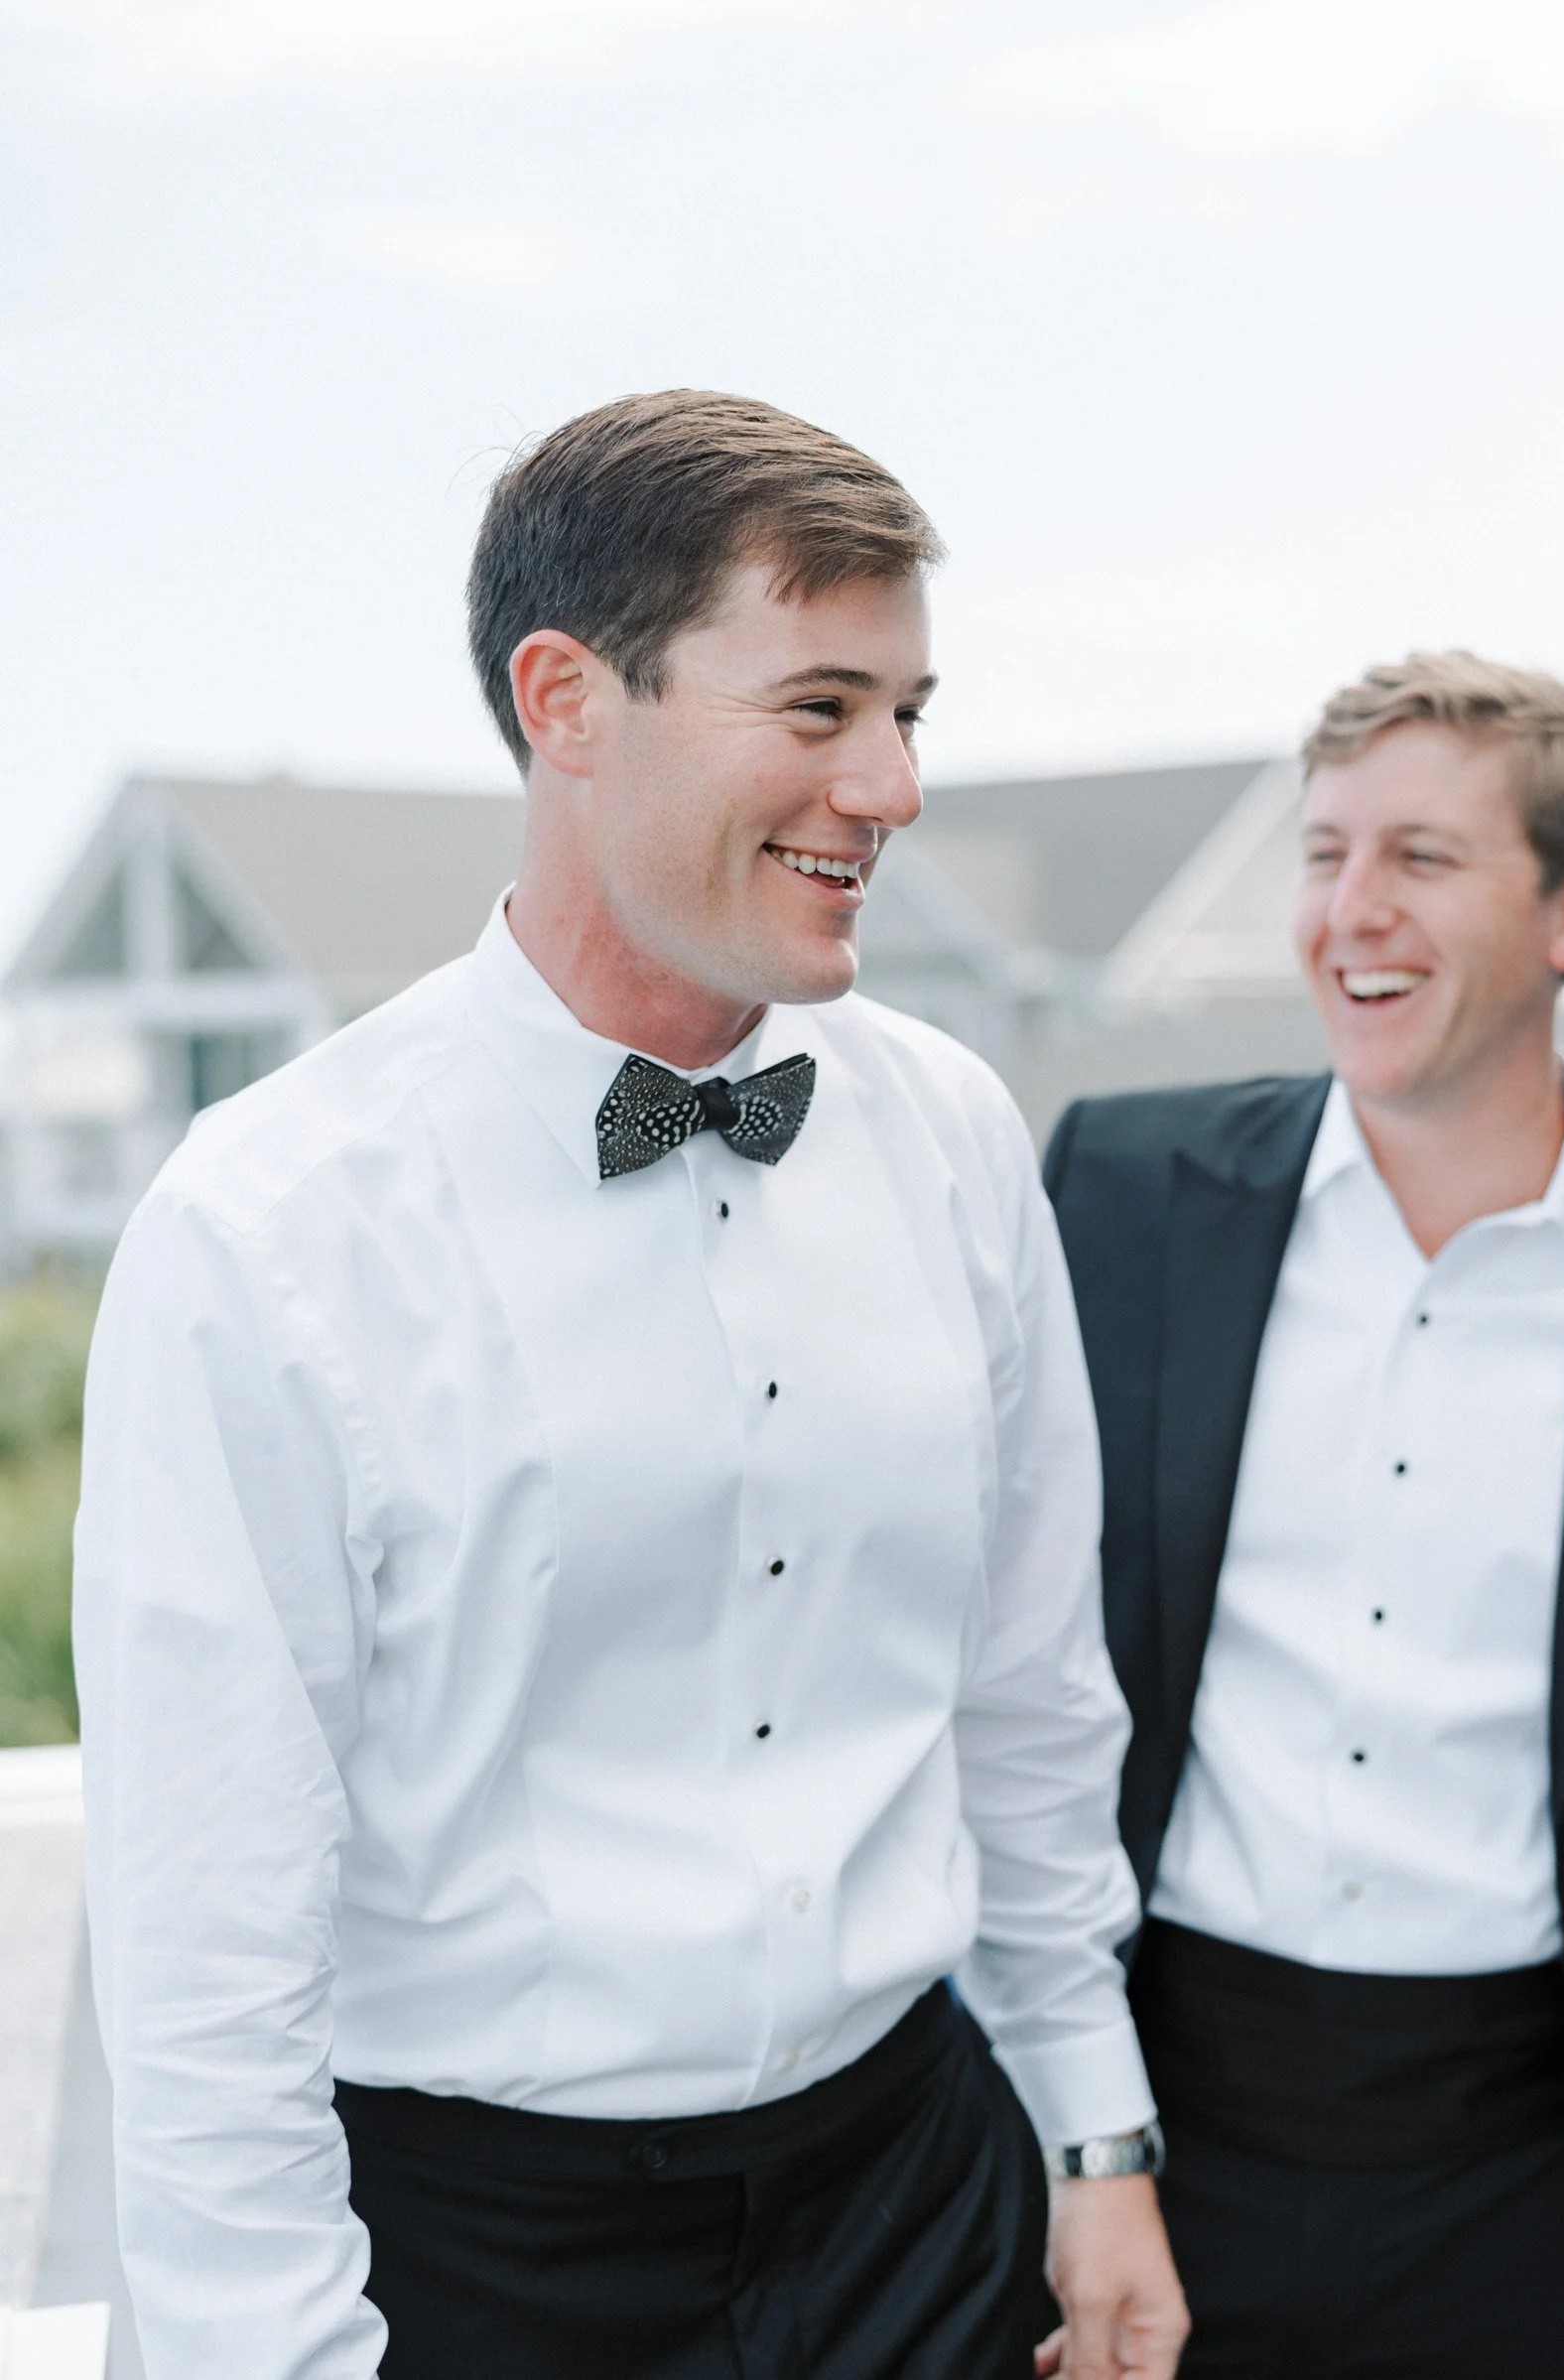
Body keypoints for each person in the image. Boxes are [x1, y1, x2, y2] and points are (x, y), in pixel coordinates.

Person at [73, 390, 1188, 2380]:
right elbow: (206, 1944)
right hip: (484, 2270)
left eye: (911, 711)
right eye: (824, 705)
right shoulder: (269, 1228)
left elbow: (1026, 1693)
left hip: (925, 2199)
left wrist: (1096, 2134)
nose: (896, 785)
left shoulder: (950, 1131)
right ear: (570, 698)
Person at [1045, 651, 1564, 2379]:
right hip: (1161, 2133)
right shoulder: (1117, 1189)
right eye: (1322, 853)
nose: (1348, 913)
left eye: (1423, 860)